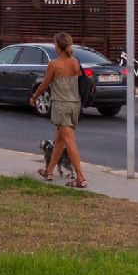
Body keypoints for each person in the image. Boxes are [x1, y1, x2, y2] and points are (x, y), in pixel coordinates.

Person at [32, 31, 87, 188]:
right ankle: (49, 171)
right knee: (60, 140)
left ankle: (81, 178)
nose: (54, 46)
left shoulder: (54, 65)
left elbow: (44, 85)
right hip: (75, 105)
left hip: (61, 106)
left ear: (58, 46)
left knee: (69, 141)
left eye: (54, 43)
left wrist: (34, 97)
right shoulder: (75, 62)